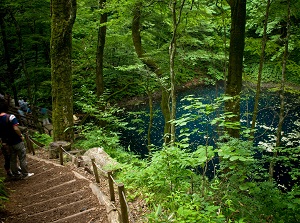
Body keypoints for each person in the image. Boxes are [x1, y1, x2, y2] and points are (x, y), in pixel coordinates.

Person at [0, 98, 34, 179]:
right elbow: (16, 128)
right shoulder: (11, 117)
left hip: (7, 143)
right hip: (16, 141)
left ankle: (16, 174)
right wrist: (20, 136)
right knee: (22, 157)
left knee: (12, 159)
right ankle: (25, 174)